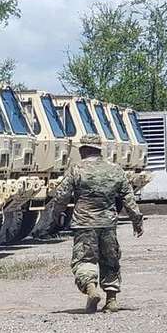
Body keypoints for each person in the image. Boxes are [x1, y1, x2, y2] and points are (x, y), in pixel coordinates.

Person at [51, 133, 144, 313]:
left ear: (84, 149)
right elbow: (128, 197)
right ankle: (111, 300)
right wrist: (136, 219)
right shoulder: (115, 169)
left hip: (84, 223)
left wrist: (55, 215)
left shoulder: (76, 169)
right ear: (99, 150)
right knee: (110, 259)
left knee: (85, 259)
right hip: (108, 223)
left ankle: (91, 288)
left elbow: (61, 196)